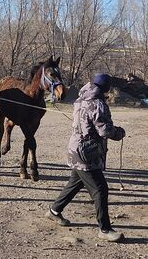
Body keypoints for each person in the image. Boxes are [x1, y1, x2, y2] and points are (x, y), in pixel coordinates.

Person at [46, 73, 126, 242]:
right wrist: (119, 132)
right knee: (100, 189)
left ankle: (54, 211)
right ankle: (104, 229)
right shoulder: (97, 104)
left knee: (75, 183)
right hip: (87, 154)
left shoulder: (80, 99)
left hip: (75, 149)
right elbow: (104, 130)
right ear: (106, 89)